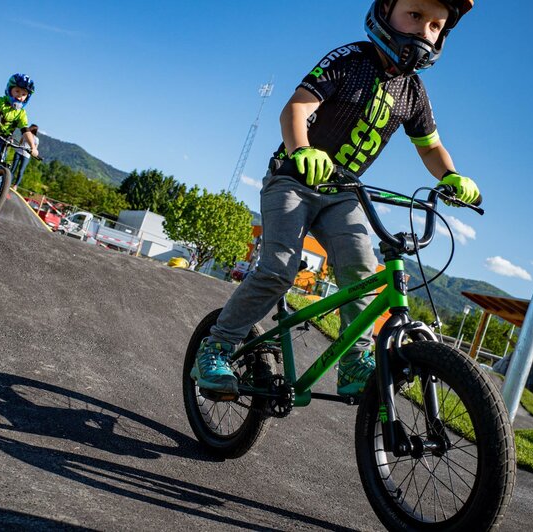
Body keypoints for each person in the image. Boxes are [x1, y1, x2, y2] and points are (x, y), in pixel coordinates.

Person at [191, 0, 480, 398]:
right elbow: (295, 108)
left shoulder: (414, 91)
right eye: (414, 15)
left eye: (434, 25)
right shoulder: (349, 59)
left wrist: (450, 175)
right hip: (291, 180)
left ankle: (354, 363)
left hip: (343, 193)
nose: (422, 32)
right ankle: (218, 345)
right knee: (278, 269)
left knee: (362, 272)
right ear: (384, 11)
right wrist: (301, 150)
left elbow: (431, 147)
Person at [10, 124, 40, 190]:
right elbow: (20, 142)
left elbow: (35, 149)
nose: (29, 128)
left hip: (26, 156)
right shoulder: (25, 134)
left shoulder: (36, 139)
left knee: (21, 171)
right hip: (18, 152)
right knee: (13, 168)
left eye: (30, 128)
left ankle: (15, 185)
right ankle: (9, 182)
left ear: (33, 129)